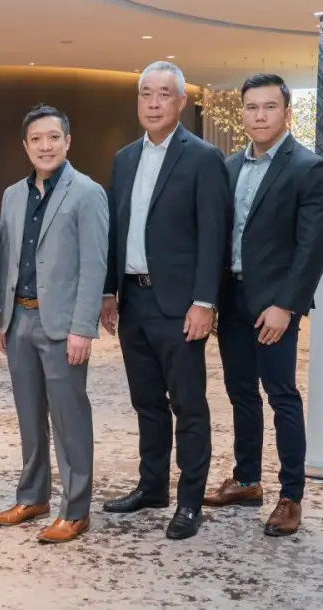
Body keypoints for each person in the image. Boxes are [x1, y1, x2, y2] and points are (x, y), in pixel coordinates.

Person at [202, 73, 323, 537]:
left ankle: (290, 495)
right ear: (241, 113)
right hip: (232, 299)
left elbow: (313, 247)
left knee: (281, 395)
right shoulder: (228, 167)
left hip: (274, 305)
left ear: (287, 113)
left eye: (269, 107)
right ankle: (246, 480)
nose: (259, 116)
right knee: (240, 391)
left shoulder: (309, 168)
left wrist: (287, 305)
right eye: (251, 107)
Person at [101, 61, 230, 540]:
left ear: (181, 101)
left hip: (180, 305)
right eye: (146, 94)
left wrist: (205, 301)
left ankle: (190, 501)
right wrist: (109, 290)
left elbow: (214, 235)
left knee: (188, 406)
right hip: (133, 302)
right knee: (147, 402)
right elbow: (116, 230)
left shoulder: (203, 158)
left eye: (163, 94)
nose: (153, 103)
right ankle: (152, 486)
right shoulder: (124, 159)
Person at [0, 104, 108, 544]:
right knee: (28, 414)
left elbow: (94, 266)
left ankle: (75, 510)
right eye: (36, 139)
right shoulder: (12, 195)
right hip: (18, 318)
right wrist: (3, 318)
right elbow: (7, 258)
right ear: (25, 146)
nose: (45, 146)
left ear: (67, 141)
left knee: (69, 416)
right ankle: (32, 497)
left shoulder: (87, 193)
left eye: (53, 137)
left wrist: (83, 328)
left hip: (62, 325)